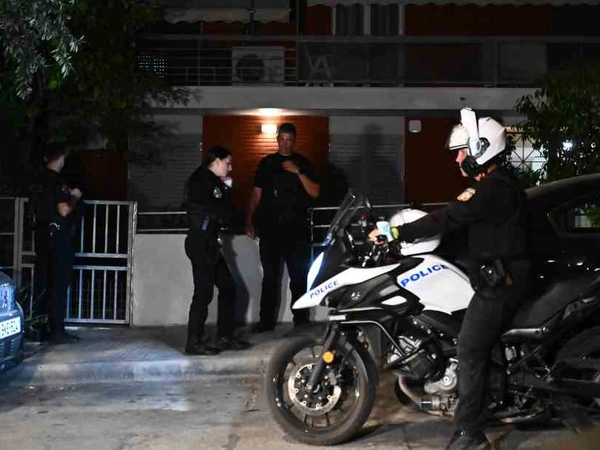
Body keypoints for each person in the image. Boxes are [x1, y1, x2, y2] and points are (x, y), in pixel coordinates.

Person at [370, 108, 531, 450]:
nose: (458, 158)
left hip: (502, 284)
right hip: (496, 278)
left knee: (469, 347)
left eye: (461, 151)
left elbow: (448, 216)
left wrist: (396, 232)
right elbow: (462, 226)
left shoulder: (492, 188)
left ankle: (469, 435)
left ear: (481, 149)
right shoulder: (496, 186)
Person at [245, 123, 320, 332]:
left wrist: (298, 172)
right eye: (283, 139)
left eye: (290, 140)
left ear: (294, 141)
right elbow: (256, 194)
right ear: (277, 139)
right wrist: (249, 220)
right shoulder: (267, 163)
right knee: (270, 278)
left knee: (298, 278)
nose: (286, 144)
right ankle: (266, 322)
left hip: (297, 230)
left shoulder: (302, 163)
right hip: (271, 230)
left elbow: (315, 192)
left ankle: (301, 321)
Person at [183, 145, 250, 355]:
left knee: (228, 287)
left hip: (208, 243)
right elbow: (223, 211)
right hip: (202, 243)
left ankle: (224, 336)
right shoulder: (203, 181)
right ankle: (193, 342)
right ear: (217, 161)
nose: (230, 168)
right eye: (228, 163)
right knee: (203, 293)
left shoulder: (208, 180)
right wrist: (227, 190)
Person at [30, 143, 82, 344]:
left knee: (43, 281)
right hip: (57, 234)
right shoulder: (57, 180)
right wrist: (74, 197)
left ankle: (39, 328)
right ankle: (57, 331)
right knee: (59, 282)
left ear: (45, 158)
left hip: (41, 233)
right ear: (61, 158)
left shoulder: (37, 179)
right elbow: (64, 210)